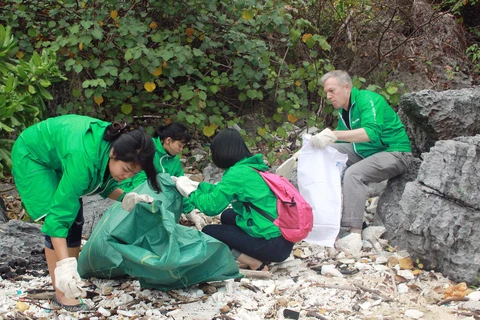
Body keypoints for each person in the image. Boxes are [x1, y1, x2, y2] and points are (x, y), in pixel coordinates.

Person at [11, 115, 160, 311]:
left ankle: (72, 280)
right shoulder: (84, 157)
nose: (126, 177)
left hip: (60, 156)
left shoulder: (113, 146)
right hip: (33, 156)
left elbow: (100, 183)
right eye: (126, 170)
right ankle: (62, 290)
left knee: (76, 218)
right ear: (114, 152)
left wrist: (126, 197)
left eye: (133, 174)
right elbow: (57, 218)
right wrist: (64, 265)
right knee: (59, 216)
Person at [310, 70, 412, 254]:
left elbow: (370, 133)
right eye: (326, 92)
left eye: (332, 90)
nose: (328, 96)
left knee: (353, 174)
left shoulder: (368, 99)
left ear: (347, 87)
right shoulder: (344, 111)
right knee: (324, 152)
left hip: (395, 152)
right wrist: (312, 147)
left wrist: (333, 134)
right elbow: (341, 141)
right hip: (366, 152)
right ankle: (322, 219)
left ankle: (354, 233)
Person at [174, 128, 294, 271]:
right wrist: (198, 186)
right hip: (283, 239)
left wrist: (189, 192)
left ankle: (255, 263)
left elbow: (211, 207)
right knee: (227, 216)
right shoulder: (251, 167)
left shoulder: (236, 174)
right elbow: (220, 191)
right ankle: (258, 255)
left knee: (209, 232)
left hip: (273, 245)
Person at [111, 122, 208, 229]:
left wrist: (189, 210)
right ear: (168, 140)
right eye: (180, 145)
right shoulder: (148, 149)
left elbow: (182, 186)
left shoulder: (174, 161)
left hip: (156, 199)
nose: (181, 149)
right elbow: (138, 178)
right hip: (133, 193)